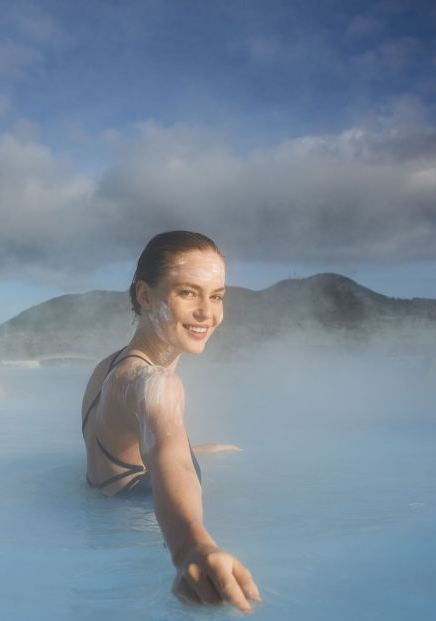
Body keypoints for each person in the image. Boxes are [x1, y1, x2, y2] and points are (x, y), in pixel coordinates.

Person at [80, 231, 261, 613]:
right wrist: (192, 548)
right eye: (187, 293)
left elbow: (139, 444)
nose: (208, 313)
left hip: (104, 528)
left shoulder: (110, 368)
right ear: (145, 296)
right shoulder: (156, 382)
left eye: (217, 296)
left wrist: (195, 450)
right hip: (144, 539)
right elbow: (171, 462)